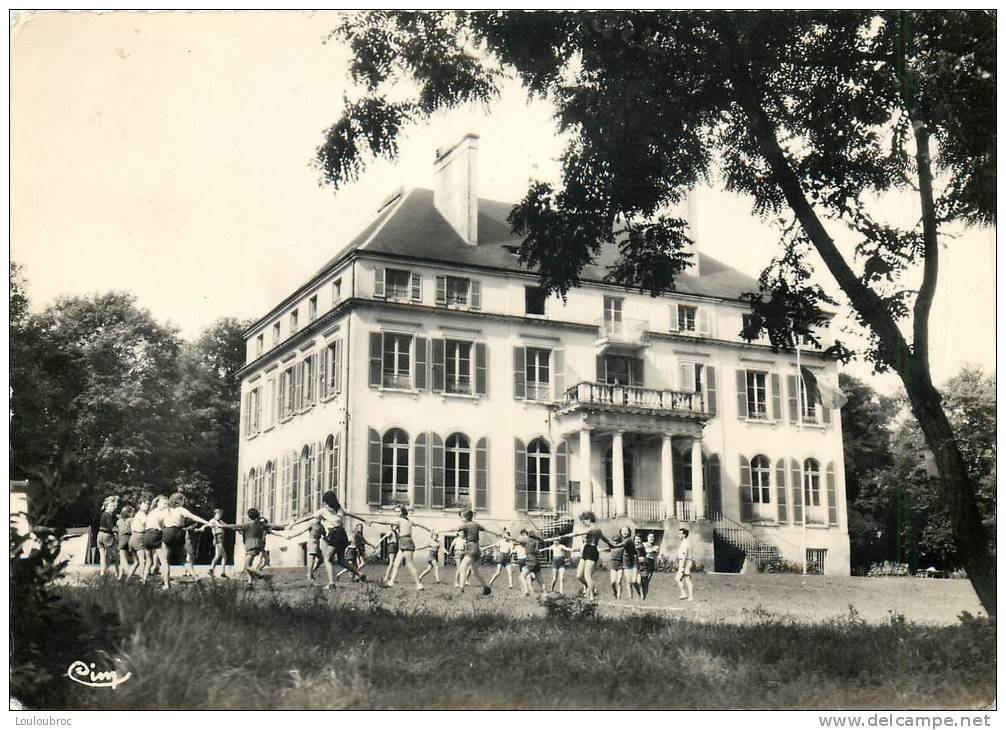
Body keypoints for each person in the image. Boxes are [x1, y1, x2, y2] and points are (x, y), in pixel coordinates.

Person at [285, 491, 366, 589]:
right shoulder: (339, 509)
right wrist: (365, 520)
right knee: (341, 560)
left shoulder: (323, 510)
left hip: (335, 534)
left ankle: (331, 583)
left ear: (326, 501)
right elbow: (351, 514)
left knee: (327, 559)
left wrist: (294, 523)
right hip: (343, 534)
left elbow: (308, 517)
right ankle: (359, 573)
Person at [220, 508, 289, 587]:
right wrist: (284, 528)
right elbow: (273, 526)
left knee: (247, 566)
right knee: (249, 564)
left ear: (249, 516)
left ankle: (259, 573)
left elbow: (234, 526)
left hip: (250, 546)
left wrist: (221, 526)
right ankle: (250, 583)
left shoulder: (247, 524)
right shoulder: (260, 524)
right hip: (258, 546)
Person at [370, 506, 432, 591]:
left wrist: (373, 520)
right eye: (395, 511)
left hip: (406, 542)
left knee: (410, 565)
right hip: (402, 542)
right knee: (396, 564)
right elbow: (420, 524)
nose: (397, 513)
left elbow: (386, 522)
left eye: (398, 511)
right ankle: (391, 583)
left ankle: (419, 584)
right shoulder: (409, 520)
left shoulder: (400, 520)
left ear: (403, 512)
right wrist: (429, 529)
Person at [158, 493, 211, 590]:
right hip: (179, 533)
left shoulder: (166, 510)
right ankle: (194, 575)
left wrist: (163, 528)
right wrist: (207, 522)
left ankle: (166, 584)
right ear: (179, 501)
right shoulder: (181, 510)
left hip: (168, 532)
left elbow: (159, 521)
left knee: (165, 561)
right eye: (183, 500)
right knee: (182, 559)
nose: (184, 502)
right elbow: (193, 517)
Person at [564, 511, 617, 601]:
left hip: (592, 550)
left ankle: (592, 596)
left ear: (589, 519)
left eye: (584, 521)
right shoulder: (594, 529)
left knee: (587, 575)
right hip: (586, 550)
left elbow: (576, 533)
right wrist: (610, 545)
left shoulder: (592, 529)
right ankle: (592, 589)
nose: (583, 523)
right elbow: (604, 539)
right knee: (579, 576)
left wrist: (561, 537)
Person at [444, 511, 499, 595]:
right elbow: (487, 530)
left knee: (462, 567)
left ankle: (461, 589)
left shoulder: (466, 525)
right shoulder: (476, 524)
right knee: (475, 571)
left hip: (471, 548)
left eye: (462, 517)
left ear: (467, 517)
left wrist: (439, 531)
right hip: (477, 549)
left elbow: (453, 529)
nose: (461, 519)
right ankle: (486, 588)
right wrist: (496, 533)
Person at [141, 496, 168, 583]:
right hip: (155, 535)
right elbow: (163, 524)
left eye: (166, 504)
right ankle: (166, 582)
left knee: (149, 561)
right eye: (164, 503)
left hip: (147, 535)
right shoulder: (161, 513)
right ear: (158, 503)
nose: (166, 505)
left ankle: (144, 580)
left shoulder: (151, 512)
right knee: (164, 561)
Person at [96, 496, 119, 577]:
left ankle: (102, 572)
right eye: (111, 506)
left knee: (102, 556)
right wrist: (117, 531)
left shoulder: (103, 514)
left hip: (99, 535)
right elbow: (110, 526)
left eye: (113, 506)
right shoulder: (109, 515)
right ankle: (117, 572)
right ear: (106, 506)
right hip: (107, 536)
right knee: (113, 555)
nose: (113, 508)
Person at [128, 500, 149, 581]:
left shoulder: (138, 514)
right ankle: (142, 579)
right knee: (142, 561)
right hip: (139, 537)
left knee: (136, 562)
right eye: (144, 504)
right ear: (140, 505)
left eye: (147, 503)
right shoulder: (141, 514)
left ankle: (127, 579)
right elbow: (147, 523)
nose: (146, 505)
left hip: (133, 537)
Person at [205, 509, 229, 579]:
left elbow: (227, 526)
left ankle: (212, 570)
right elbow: (207, 525)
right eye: (218, 514)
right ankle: (221, 572)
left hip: (220, 539)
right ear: (215, 514)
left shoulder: (220, 521)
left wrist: (236, 528)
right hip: (218, 539)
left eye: (221, 515)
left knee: (218, 556)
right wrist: (201, 528)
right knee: (224, 556)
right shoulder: (212, 521)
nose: (220, 516)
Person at [607, 526, 631, 599]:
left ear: (620, 541)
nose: (615, 542)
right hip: (612, 565)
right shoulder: (611, 547)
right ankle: (615, 591)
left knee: (619, 581)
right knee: (613, 582)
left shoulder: (622, 547)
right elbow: (604, 549)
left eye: (617, 541)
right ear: (612, 541)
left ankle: (618, 597)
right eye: (614, 540)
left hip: (620, 564)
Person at [115, 505, 135, 580]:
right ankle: (120, 576)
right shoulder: (131, 520)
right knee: (123, 558)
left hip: (122, 538)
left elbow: (117, 532)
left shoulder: (118, 521)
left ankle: (128, 574)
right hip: (129, 538)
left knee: (123, 558)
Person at [676, 527, 694, 601]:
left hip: (685, 562)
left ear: (684, 535)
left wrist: (682, 567)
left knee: (687, 579)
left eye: (680, 534)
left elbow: (684, 555)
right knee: (678, 579)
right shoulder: (684, 542)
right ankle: (684, 594)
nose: (679, 535)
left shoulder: (685, 543)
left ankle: (690, 596)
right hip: (684, 562)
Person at [641, 533, 659, 600]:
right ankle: (642, 594)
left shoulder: (656, 546)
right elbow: (646, 551)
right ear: (647, 537)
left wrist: (648, 550)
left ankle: (644, 596)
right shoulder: (643, 544)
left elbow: (654, 550)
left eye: (653, 537)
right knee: (642, 580)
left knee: (647, 581)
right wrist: (649, 550)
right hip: (644, 562)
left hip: (651, 563)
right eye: (650, 537)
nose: (652, 538)